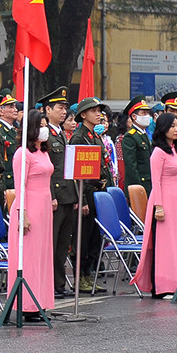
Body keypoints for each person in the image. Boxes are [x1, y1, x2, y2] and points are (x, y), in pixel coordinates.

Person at [6, 110, 55, 318]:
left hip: (44, 207)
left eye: (46, 125)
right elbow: (20, 186)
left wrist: (52, 198)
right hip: (29, 207)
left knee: (43, 256)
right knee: (30, 257)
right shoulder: (22, 154)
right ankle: (26, 304)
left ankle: (41, 301)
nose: (45, 129)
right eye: (41, 125)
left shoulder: (43, 152)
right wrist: (22, 214)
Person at [131, 114, 177, 298]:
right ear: (163, 129)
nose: (176, 129)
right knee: (164, 244)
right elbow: (156, 182)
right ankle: (161, 287)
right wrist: (159, 207)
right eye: (172, 126)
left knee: (176, 242)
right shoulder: (158, 153)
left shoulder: (175, 150)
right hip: (164, 200)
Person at [70, 97, 111, 293]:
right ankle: (81, 276)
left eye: (99, 110)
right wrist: (82, 199)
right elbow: (77, 174)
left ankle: (89, 273)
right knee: (83, 238)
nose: (98, 114)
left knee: (96, 237)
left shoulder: (94, 136)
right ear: (83, 114)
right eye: (93, 110)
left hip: (99, 193)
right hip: (87, 193)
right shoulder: (78, 137)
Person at [38, 86, 75, 298]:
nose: (63, 112)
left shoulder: (61, 134)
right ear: (47, 110)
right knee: (51, 244)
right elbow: (48, 171)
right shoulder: (45, 135)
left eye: (65, 108)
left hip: (68, 195)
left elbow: (67, 168)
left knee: (63, 245)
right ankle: (50, 284)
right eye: (59, 108)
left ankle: (59, 283)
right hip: (55, 196)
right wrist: (51, 195)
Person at [121, 96, 153, 193]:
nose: (147, 116)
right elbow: (131, 166)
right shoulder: (130, 137)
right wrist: (138, 188)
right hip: (139, 185)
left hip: (149, 184)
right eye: (143, 113)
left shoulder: (144, 135)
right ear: (134, 117)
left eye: (147, 113)